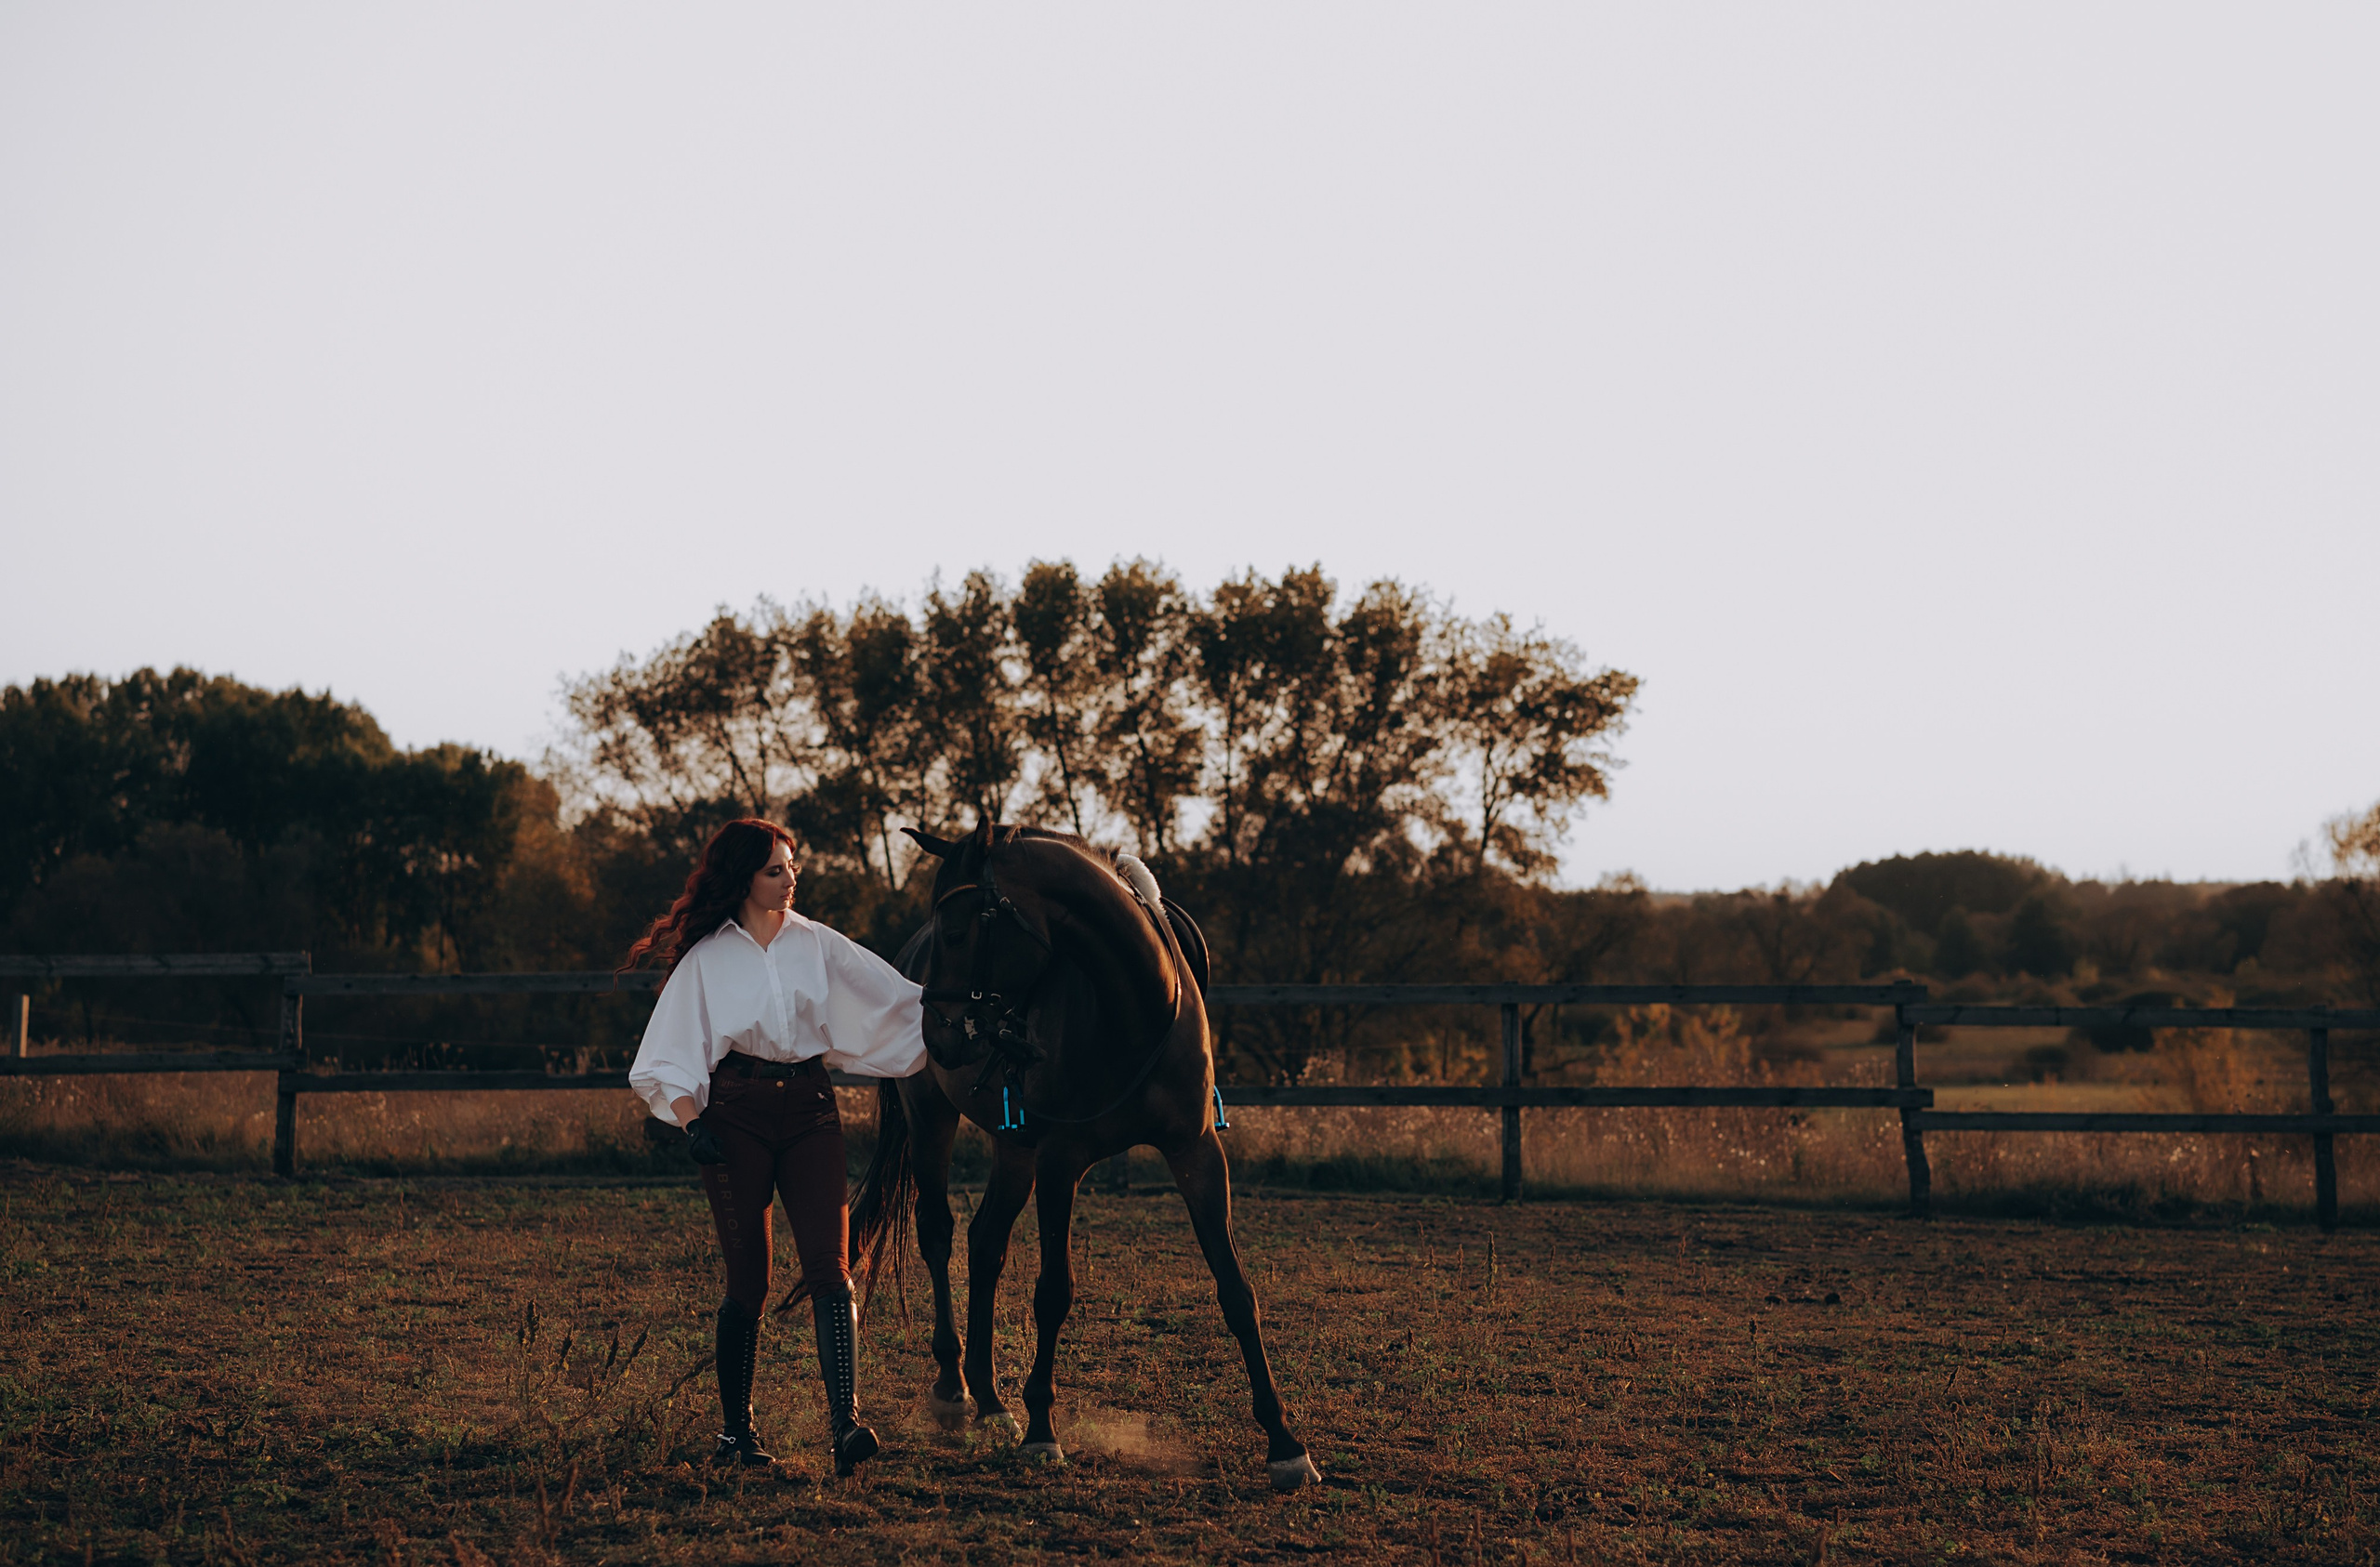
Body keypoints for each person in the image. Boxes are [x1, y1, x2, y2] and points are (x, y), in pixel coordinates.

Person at [624, 818, 925, 1475]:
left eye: (792, 867)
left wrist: (965, 1013)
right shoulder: (707, 959)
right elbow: (669, 1052)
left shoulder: (818, 944)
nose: (791, 879)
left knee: (830, 1266)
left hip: (812, 1108)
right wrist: (691, 1123)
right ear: (743, 878)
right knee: (750, 1283)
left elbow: (896, 1000)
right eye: (775, 870)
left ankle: (846, 1426)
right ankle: (738, 1436)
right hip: (735, 1116)